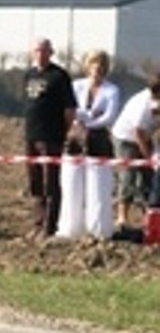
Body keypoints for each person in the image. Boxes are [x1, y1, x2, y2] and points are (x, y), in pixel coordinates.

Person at [57, 50, 120, 238]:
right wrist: (88, 116)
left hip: (99, 138)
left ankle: (100, 229)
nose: (97, 69)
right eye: (94, 64)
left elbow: (109, 116)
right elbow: (71, 109)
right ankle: (70, 228)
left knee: (98, 185)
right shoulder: (76, 86)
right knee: (71, 183)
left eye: (101, 66)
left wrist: (87, 122)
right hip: (75, 136)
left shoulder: (112, 90)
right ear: (88, 66)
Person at [23, 37, 77, 238]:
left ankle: (50, 226)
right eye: (37, 50)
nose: (40, 54)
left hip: (51, 135)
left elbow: (69, 109)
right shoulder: (28, 75)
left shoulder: (59, 76)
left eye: (44, 50)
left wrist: (64, 131)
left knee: (51, 181)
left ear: (51, 52)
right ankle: (37, 223)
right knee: (35, 181)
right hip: (31, 134)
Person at [111, 73, 160, 228]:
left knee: (150, 177)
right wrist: (148, 156)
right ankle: (122, 217)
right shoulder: (142, 104)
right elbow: (138, 133)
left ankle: (150, 217)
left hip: (146, 136)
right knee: (128, 176)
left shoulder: (156, 101)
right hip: (126, 138)